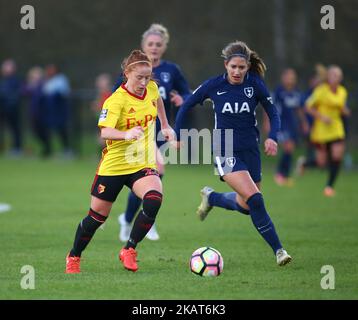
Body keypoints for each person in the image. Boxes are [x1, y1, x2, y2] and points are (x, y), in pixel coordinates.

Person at [174, 40, 292, 266]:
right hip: (224, 147)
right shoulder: (213, 85)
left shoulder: (255, 85)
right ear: (226, 65)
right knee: (256, 200)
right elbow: (187, 105)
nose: (237, 71)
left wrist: (272, 137)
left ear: (248, 66)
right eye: (233, 67)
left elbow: (273, 113)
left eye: (242, 67)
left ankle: (212, 197)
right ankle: (279, 250)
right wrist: (178, 135)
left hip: (250, 149)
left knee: (247, 206)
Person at [65, 50, 174, 273]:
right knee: (96, 218)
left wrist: (164, 124)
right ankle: (74, 256)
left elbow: (158, 100)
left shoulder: (151, 89)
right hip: (114, 166)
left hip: (141, 163)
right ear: (127, 73)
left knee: (154, 199)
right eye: (139, 77)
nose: (144, 82)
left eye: (148, 77)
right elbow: (104, 132)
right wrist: (125, 135)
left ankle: (129, 249)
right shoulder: (116, 100)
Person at [114, 24, 191, 242]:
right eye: (150, 44)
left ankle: (129, 219)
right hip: (136, 132)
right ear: (143, 45)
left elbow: (187, 93)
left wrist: (182, 99)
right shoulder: (133, 69)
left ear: (164, 47)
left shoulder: (171, 71)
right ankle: (147, 219)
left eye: (158, 44)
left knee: (145, 178)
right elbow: (115, 96)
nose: (154, 48)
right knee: (155, 170)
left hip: (158, 134)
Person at [304, 65, 350, 197]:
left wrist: (345, 111)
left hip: (336, 128)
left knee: (337, 156)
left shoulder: (342, 91)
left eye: (338, 75)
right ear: (328, 77)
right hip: (321, 130)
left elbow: (341, 107)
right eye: (333, 75)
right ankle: (305, 164)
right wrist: (321, 116)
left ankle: (329, 186)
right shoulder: (321, 91)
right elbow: (308, 106)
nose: (336, 77)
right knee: (321, 163)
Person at [271, 68, 308, 186]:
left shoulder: (297, 92)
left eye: (293, 77)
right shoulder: (279, 91)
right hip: (281, 124)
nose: (291, 80)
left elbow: (299, 109)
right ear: (283, 78)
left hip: (293, 125)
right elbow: (270, 107)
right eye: (289, 77)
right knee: (288, 147)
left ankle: (283, 175)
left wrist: (304, 123)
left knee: (289, 149)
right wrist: (268, 123)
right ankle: (280, 174)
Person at [42, 64, 72, 158]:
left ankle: (67, 150)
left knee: (62, 130)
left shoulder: (61, 79)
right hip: (50, 111)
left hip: (60, 111)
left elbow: (64, 93)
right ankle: (49, 150)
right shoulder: (47, 80)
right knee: (48, 131)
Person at [23, 66, 51, 158]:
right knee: (35, 131)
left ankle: (47, 149)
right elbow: (24, 91)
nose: (36, 76)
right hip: (34, 112)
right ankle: (45, 148)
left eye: (37, 74)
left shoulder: (43, 84)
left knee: (43, 131)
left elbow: (43, 95)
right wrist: (31, 85)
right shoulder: (30, 85)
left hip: (43, 113)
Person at [0, 59, 23, 156]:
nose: (4, 69)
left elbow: (16, 94)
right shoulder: (3, 81)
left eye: (7, 67)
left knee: (14, 129)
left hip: (12, 109)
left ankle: (17, 149)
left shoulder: (15, 80)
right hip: (2, 108)